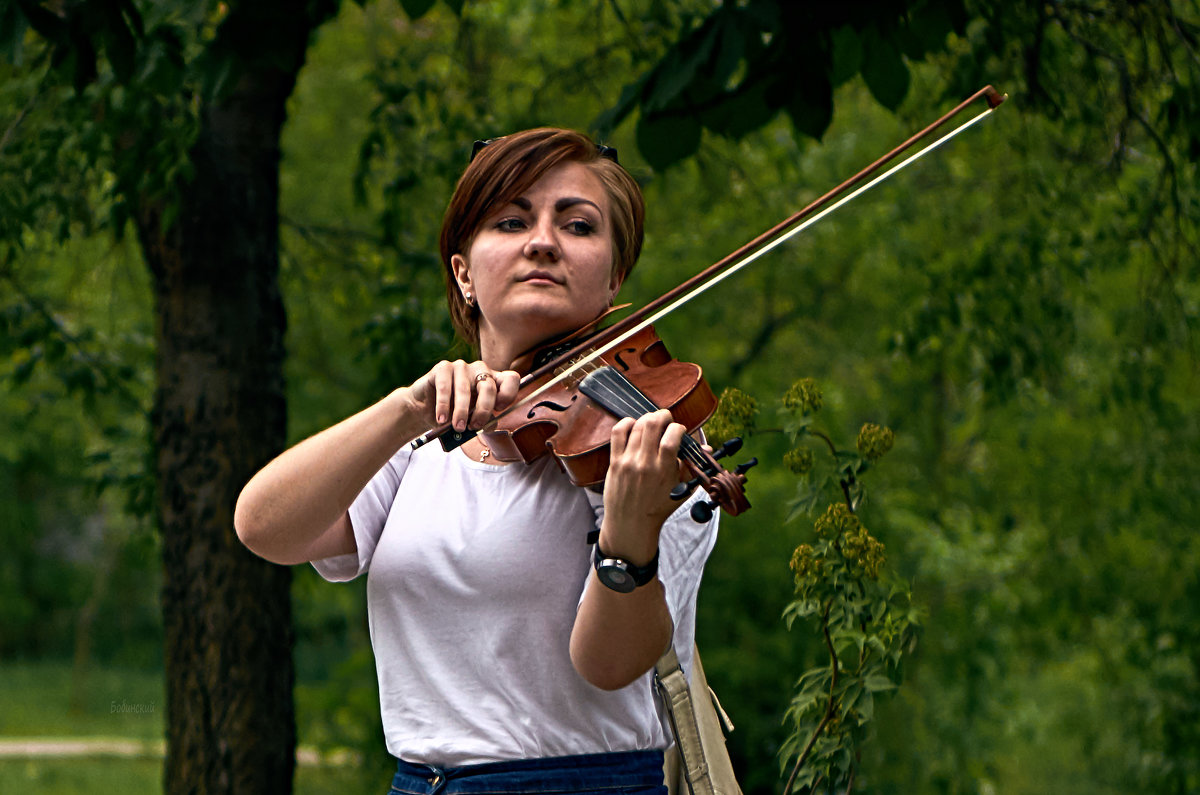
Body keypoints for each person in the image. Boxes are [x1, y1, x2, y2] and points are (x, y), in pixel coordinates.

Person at [234, 128, 719, 795]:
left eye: (578, 225)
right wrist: (406, 408)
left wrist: (629, 533)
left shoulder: (644, 449)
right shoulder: (420, 446)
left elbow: (610, 665)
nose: (542, 241)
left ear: (614, 280)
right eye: (512, 220)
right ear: (464, 272)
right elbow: (265, 527)